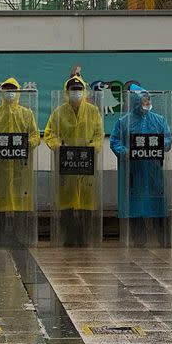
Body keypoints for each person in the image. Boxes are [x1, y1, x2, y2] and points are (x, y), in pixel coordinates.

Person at [0, 77, 40, 246]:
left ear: (18, 92)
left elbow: (35, 136)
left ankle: (21, 239)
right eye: (6, 89)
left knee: (20, 204)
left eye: (13, 89)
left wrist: (28, 143)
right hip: (0, 168)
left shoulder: (26, 114)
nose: (10, 93)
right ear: (1, 93)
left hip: (21, 168)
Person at [110, 84, 172, 247]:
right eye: (143, 99)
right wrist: (126, 152)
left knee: (158, 205)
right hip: (133, 172)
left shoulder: (159, 120)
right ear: (136, 101)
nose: (147, 101)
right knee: (135, 206)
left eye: (148, 98)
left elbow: (167, 140)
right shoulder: (123, 122)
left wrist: (159, 146)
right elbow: (114, 141)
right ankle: (139, 242)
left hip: (153, 172)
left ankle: (164, 241)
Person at [44, 75, 104, 246]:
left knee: (86, 203)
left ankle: (84, 238)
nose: (76, 93)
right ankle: (69, 237)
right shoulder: (59, 112)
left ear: (84, 91)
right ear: (66, 92)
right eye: (73, 90)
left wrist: (93, 147)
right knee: (66, 204)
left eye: (79, 89)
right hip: (66, 164)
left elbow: (99, 134)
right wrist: (58, 146)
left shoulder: (93, 111)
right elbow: (49, 133)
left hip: (87, 164)